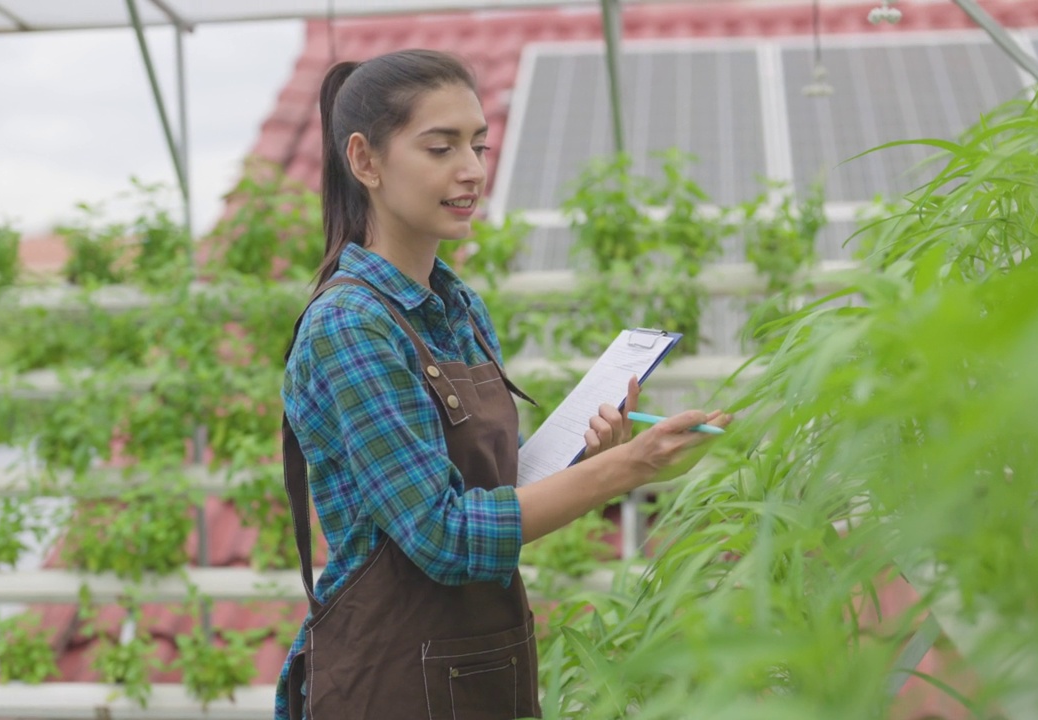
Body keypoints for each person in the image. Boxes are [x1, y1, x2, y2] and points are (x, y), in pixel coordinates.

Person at [275, 48, 729, 720]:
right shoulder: (351, 327)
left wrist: (587, 456)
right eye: (441, 148)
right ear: (365, 161)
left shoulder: (457, 309)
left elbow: (495, 499)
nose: (472, 171)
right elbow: (443, 536)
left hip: (482, 661)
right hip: (390, 681)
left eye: (479, 146)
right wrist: (629, 468)